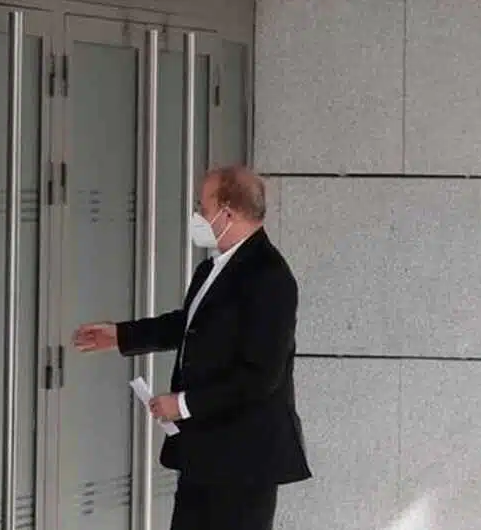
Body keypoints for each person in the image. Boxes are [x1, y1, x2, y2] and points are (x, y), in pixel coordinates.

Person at [72, 165, 311, 530]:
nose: (198, 215)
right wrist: (121, 335)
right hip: (205, 450)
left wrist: (183, 404)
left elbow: (261, 376)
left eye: (203, 206)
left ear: (228, 213)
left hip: (244, 459)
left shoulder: (270, 277)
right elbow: (189, 325)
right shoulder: (214, 268)